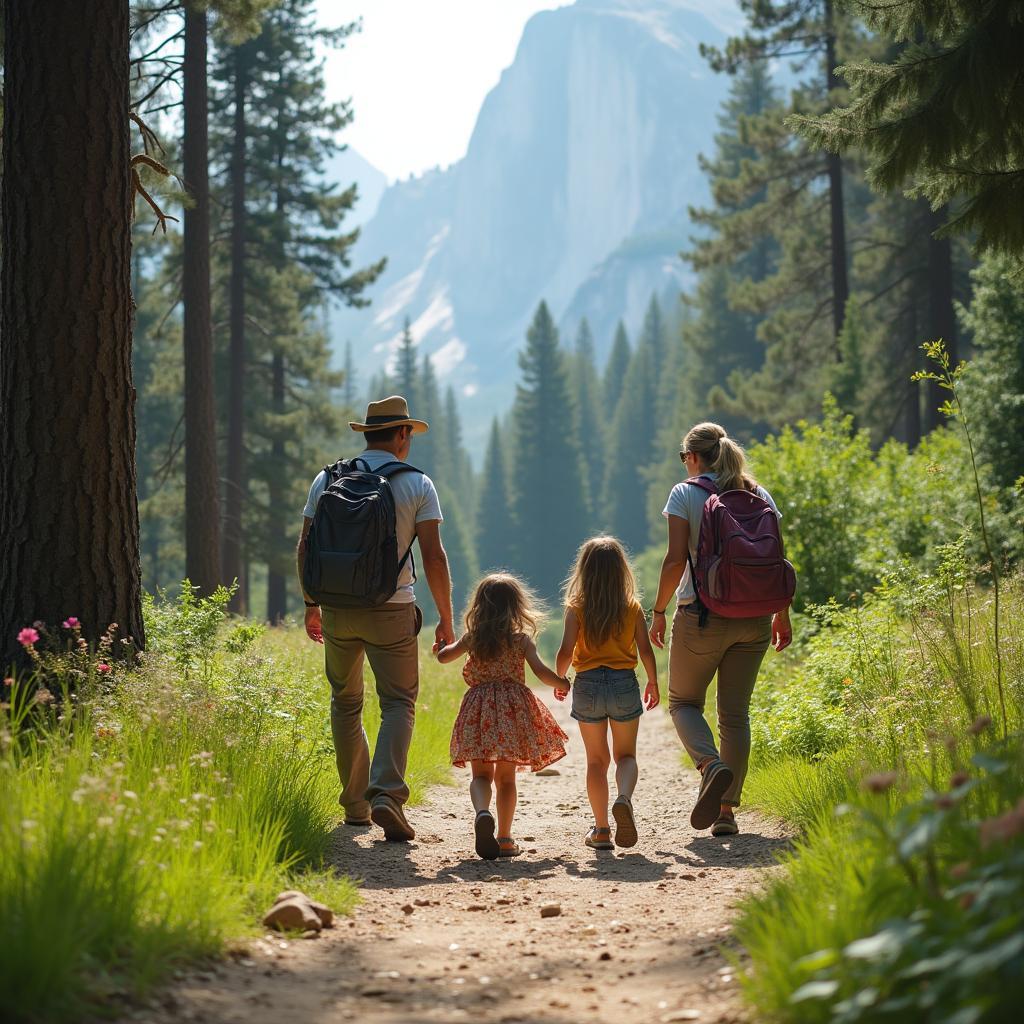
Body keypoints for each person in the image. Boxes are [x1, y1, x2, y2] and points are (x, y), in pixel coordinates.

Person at [297, 395, 456, 842]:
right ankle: (386, 792)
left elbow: (305, 546)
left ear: (367, 432)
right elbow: (434, 557)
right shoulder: (417, 484)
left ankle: (354, 807)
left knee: (345, 703)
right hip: (392, 608)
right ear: (402, 434)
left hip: (337, 610)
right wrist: (445, 618)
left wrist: (312, 603)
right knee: (398, 702)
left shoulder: (327, 478)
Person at [649, 422, 792, 837]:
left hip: (702, 615)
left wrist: (658, 611)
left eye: (684, 457)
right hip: (756, 619)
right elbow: (775, 558)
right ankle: (727, 812)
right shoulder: (758, 494)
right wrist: (782, 613)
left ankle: (712, 766)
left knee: (684, 704)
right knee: (734, 714)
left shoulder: (685, 493)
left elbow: (675, 560)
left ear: (693, 457)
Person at [437, 573, 570, 860]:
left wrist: (441, 648)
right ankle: (506, 838)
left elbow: (445, 657)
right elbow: (541, 672)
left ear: (479, 607)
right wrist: (563, 683)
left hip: (478, 709)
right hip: (511, 711)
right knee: (507, 779)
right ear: (515, 607)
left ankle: (483, 812)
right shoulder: (521, 640)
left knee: (480, 775)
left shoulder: (472, 638)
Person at [556, 536, 660, 850]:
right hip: (623, 683)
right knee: (626, 756)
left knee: (596, 762)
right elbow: (645, 651)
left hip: (587, 684)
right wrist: (653, 682)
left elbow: (564, 651)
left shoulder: (576, 609)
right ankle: (624, 799)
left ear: (584, 571)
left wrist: (560, 679)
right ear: (621, 571)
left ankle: (601, 830)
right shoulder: (632, 607)